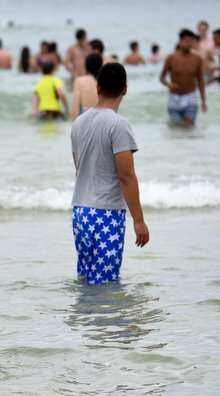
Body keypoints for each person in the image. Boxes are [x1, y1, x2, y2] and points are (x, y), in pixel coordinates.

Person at [70, 62, 149, 285]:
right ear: (125, 88)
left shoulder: (78, 123)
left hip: (80, 212)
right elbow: (126, 176)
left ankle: (86, 317)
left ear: (98, 88)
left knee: (86, 279)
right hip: (106, 214)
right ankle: (105, 319)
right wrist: (139, 221)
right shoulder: (119, 125)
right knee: (106, 284)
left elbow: (79, 168)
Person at [160, 29, 207, 126]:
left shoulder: (197, 59)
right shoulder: (171, 58)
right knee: (176, 127)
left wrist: (203, 101)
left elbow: (201, 81)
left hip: (190, 97)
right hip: (174, 98)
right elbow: (162, 77)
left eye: (191, 41)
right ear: (180, 42)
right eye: (186, 41)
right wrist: (169, 84)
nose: (188, 44)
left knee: (189, 126)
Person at [70, 53, 102, 120]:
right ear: (101, 66)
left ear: (86, 66)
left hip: (85, 116)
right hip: (102, 117)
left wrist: (73, 121)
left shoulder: (79, 81)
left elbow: (75, 108)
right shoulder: (105, 81)